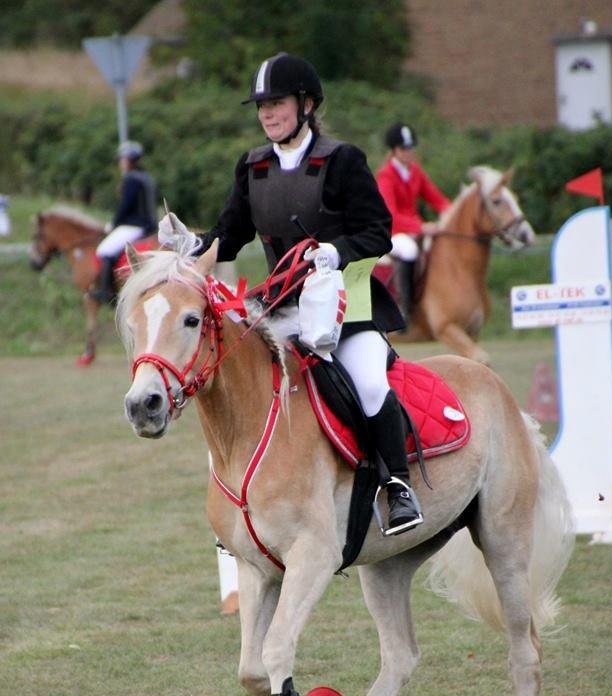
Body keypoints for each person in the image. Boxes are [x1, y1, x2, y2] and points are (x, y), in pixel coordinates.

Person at [159, 52, 422, 536]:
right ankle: (244, 505)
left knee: (368, 383)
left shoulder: (342, 161)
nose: (266, 114)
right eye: (260, 105)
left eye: (276, 103)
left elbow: (378, 233)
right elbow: (229, 234)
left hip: (347, 311)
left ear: (306, 104)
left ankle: (398, 487)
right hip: (279, 314)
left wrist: (332, 251)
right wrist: (189, 244)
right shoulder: (253, 167)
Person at [376, 122, 450, 320]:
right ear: (394, 150)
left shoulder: (415, 172)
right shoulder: (386, 176)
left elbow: (436, 198)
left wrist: (451, 213)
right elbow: (390, 215)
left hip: (413, 229)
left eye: (410, 148)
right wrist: (421, 227)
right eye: (404, 148)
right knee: (409, 251)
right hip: (392, 233)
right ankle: (404, 309)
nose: (408, 152)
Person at [91, 141, 157, 304]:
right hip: (149, 224)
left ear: (128, 160)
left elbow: (125, 206)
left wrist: (113, 224)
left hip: (135, 225)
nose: (121, 162)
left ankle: (106, 293)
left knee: (104, 251)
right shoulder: (146, 177)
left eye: (122, 159)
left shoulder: (131, 179)